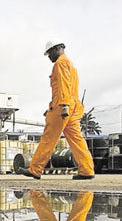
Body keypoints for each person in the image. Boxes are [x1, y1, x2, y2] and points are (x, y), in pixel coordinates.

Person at [19, 39, 95, 180]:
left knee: (48, 138)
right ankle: (87, 170)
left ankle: (35, 169)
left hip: (63, 106)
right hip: (73, 106)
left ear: (57, 49)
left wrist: (63, 105)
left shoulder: (60, 64)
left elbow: (63, 85)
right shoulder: (71, 65)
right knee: (77, 140)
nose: (49, 57)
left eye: (49, 53)